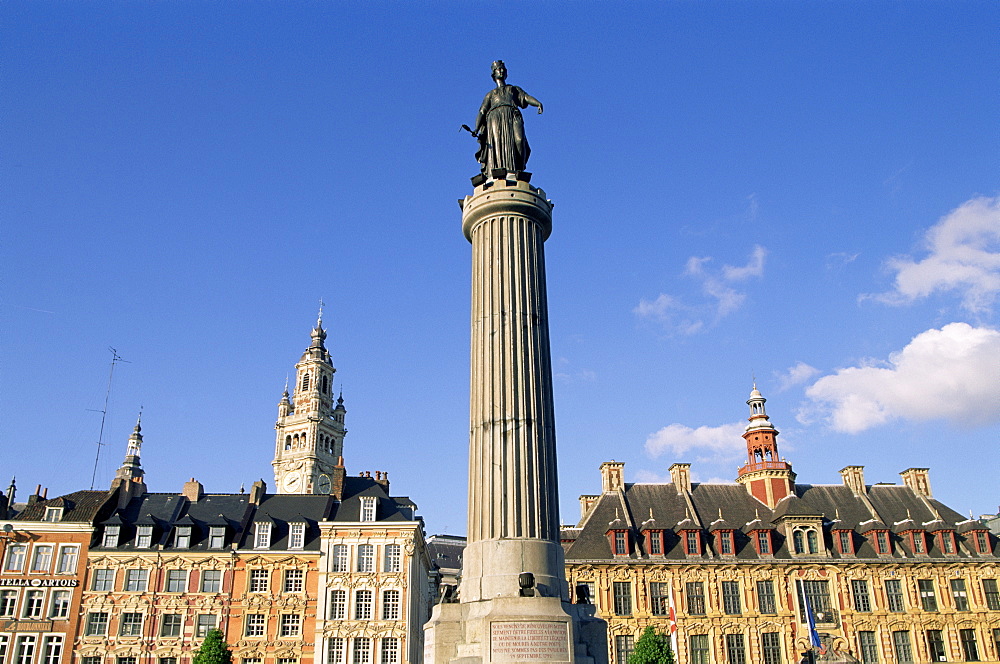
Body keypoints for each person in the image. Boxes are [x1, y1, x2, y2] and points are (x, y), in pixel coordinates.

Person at [472, 60, 543, 175]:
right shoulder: (491, 94)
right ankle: (500, 171)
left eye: (503, 69)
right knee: (497, 144)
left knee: (519, 140)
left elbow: (525, 97)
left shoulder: (513, 89)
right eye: (498, 70)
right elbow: (482, 111)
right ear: (493, 75)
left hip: (512, 115)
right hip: (495, 118)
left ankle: (518, 168)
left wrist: (538, 103)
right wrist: (476, 128)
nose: (501, 71)